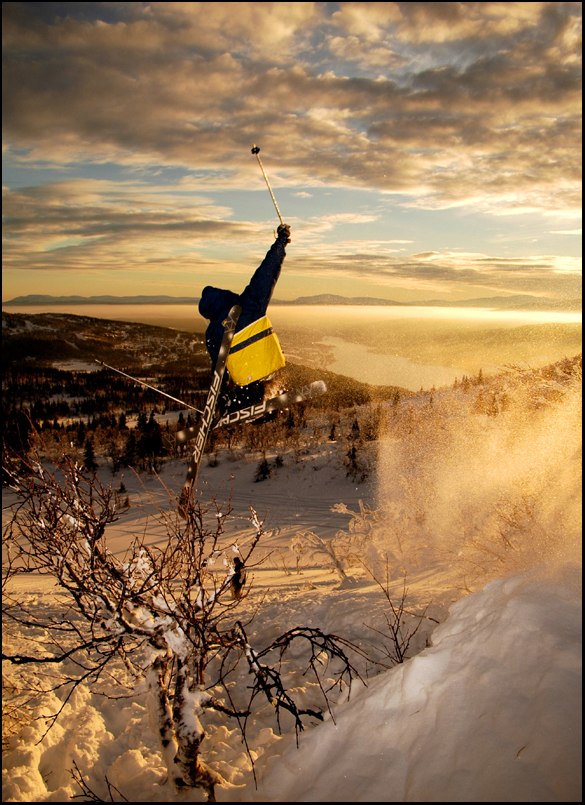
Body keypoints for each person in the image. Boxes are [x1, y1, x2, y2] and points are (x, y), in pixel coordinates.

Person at [198, 223, 291, 417]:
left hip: (246, 379)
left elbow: (218, 368)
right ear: (226, 296)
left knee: (245, 388)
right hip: (270, 367)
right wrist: (280, 244)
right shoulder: (248, 305)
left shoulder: (212, 331)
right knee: (272, 382)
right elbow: (266, 274)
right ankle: (267, 404)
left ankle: (237, 405)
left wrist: (220, 395)